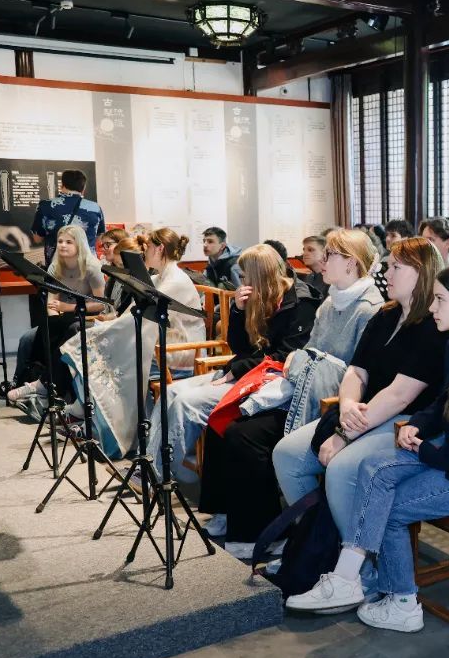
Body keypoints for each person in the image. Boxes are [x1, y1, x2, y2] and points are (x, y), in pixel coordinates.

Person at [286, 262, 449, 631]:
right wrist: (417, 425)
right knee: (373, 469)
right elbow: (442, 404)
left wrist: (426, 451)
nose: (433, 307)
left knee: (390, 507)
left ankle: (403, 602)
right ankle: (348, 577)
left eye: (440, 300)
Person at [272, 237, 447, 581]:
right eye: (388, 265)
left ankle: (359, 570)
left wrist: (344, 433)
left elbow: (399, 395)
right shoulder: (386, 315)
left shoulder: (433, 323)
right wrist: (348, 404)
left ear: (422, 272)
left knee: (340, 468)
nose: (386, 273)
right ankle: (320, 545)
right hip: (365, 412)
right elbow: (356, 370)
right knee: (287, 455)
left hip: (406, 423)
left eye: (396, 267)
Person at [199, 229, 384, 556]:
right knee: (225, 419)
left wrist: (303, 366)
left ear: (351, 263)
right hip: (303, 388)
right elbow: (305, 353)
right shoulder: (331, 302)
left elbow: (358, 375)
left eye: (329, 255)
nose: (321, 261)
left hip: (328, 403)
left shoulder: (368, 310)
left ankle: (266, 530)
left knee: (244, 436)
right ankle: (231, 513)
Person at [144, 243, 319, 483]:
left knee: (187, 403)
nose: (241, 281)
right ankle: (156, 466)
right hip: (245, 371)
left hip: (269, 381)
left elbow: (285, 356)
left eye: (245, 276)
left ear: (260, 276)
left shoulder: (301, 303)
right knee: (170, 392)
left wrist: (237, 369)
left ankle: (158, 473)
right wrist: (238, 311)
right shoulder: (260, 296)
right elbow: (239, 347)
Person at [58, 228, 205, 459]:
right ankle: (117, 430)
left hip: (179, 353)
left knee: (124, 365)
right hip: (159, 345)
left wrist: (104, 331)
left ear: (160, 249)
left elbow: (140, 318)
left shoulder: (176, 280)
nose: (145, 252)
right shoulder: (158, 278)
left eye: (149, 247)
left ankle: (131, 435)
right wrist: (106, 327)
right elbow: (131, 313)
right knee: (117, 358)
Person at [7, 225, 107, 402]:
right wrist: (54, 323)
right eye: (60, 241)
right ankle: (23, 380)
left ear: (79, 244)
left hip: (87, 318)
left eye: (69, 242)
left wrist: (66, 308)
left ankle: (46, 385)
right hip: (62, 318)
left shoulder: (92, 268)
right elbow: (51, 303)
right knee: (27, 338)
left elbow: (100, 304)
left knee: (67, 336)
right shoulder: (55, 267)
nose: (62, 245)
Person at [31, 169, 105, 268]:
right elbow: (99, 237)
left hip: (58, 267)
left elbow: (37, 238)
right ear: (83, 188)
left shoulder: (45, 206)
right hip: (88, 267)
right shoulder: (95, 208)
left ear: (62, 185)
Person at [97, 236, 141, 321]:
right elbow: (109, 305)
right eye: (116, 264)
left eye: (121, 265)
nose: (119, 268)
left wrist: (113, 317)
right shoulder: (113, 278)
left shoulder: (138, 282)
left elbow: (128, 314)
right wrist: (104, 316)